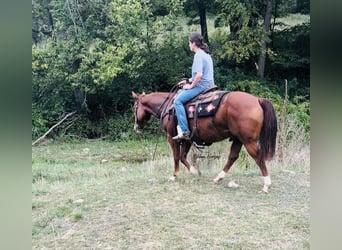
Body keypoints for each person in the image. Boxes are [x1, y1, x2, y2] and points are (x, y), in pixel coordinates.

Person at [172, 32, 215, 140]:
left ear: (193, 43)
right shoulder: (206, 54)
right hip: (210, 85)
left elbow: (199, 75)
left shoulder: (198, 55)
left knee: (177, 101)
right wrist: (187, 80)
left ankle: (185, 131)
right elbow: (200, 74)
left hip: (201, 87)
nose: (189, 45)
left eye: (189, 43)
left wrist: (190, 86)